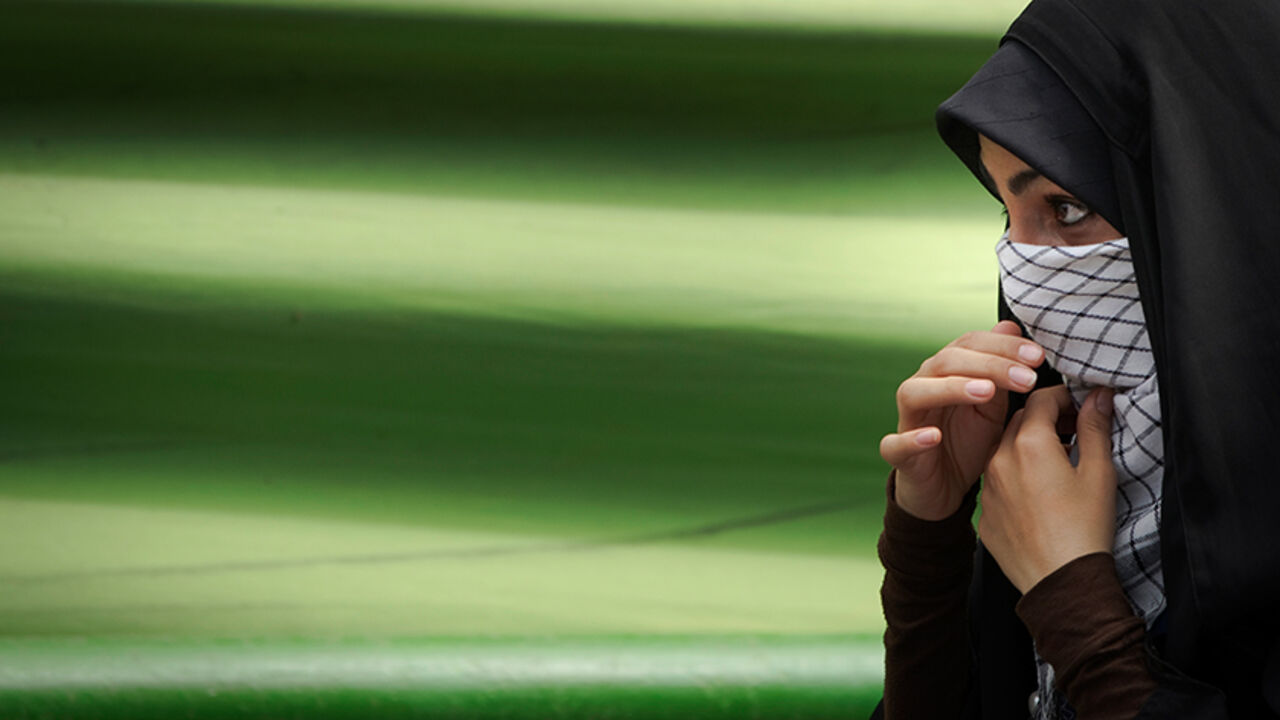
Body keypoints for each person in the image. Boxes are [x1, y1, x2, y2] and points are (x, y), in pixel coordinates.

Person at [870, 0, 1280, 717]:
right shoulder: (1063, 487)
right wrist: (929, 546)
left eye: (1065, 209)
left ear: (1219, 204)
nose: (1023, 277)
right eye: (1006, 213)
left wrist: (1077, 610)